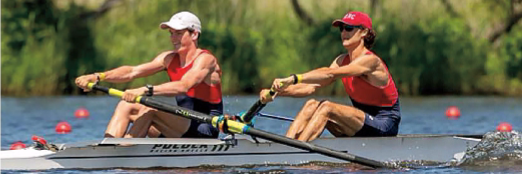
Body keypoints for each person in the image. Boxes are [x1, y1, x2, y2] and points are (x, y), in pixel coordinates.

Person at [75, 11, 223, 138]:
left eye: (178, 33)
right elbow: (132, 71)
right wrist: (98, 76)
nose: (173, 39)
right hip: (180, 124)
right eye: (171, 34)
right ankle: (107, 147)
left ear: (194, 34)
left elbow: (184, 86)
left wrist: (145, 90)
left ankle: (122, 150)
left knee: (150, 108)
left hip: (205, 127)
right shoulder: (169, 59)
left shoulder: (206, 60)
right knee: (126, 105)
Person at [260, 11, 401, 142]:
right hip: (360, 124)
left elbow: (329, 73)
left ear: (364, 32)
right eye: (342, 29)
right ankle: (287, 146)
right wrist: (276, 92)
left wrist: (294, 78)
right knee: (311, 105)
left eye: (349, 28)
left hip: (385, 126)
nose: (344, 32)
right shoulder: (341, 61)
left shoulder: (371, 61)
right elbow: (310, 87)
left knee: (327, 107)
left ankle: (295, 151)